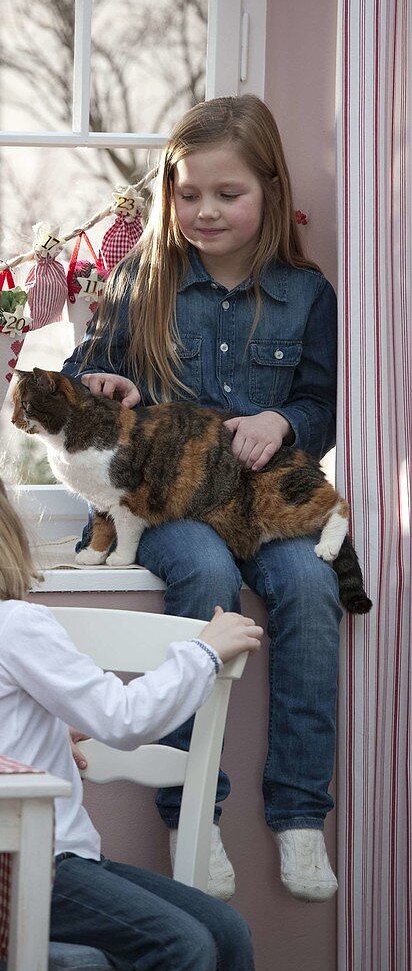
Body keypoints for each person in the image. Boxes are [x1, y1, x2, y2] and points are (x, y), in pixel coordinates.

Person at [62, 94, 341, 904]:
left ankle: (298, 812)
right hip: (169, 507)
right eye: (189, 194)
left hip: (264, 500)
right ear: (168, 192)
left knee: (311, 584)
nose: (206, 211)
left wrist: (283, 420)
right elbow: (84, 381)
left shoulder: (305, 294)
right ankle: (191, 810)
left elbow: (323, 404)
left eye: (229, 194)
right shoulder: (141, 280)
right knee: (207, 581)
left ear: (271, 193)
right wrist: (102, 386)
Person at [0, 445, 261, 971]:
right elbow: (123, 720)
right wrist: (204, 652)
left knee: (226, 929)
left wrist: (49, 736)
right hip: (37, 868)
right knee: (185, 943)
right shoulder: (17, 625)